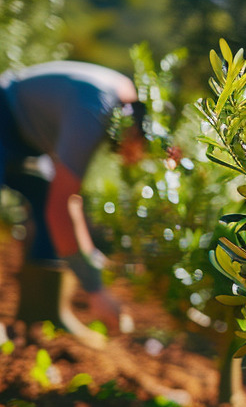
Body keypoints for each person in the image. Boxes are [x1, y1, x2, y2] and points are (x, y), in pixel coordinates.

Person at [0, 60, 149, 343]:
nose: (133, 158)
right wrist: (95, 290)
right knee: (52, 207)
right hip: (5, 112)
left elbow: (68, 202)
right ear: (134, 129)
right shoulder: (95, 113)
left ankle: (42, 315)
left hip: (23, 134)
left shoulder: (124, 97)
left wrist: (87, 255)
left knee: (45, 198)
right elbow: (63, 207)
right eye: (139, 148)